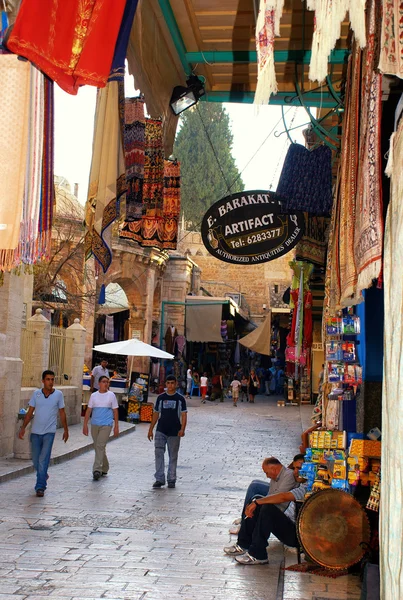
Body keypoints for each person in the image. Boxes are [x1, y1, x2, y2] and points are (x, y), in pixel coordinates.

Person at [224, 457, 304, 563]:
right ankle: (243, 544)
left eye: (299, 469)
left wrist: (257, 503)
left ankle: (258, 554)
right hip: (289, 524)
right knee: (259, 502)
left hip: (298, 535)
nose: (295, 472)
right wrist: (256, 503)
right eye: (294, 468)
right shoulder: (300, 483)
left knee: (266, 508)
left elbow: (283, 497)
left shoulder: (305, 487)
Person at [18, 370, 69, 497]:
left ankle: (40, 486)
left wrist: (66, 430)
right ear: (43, 381)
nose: (51, 382)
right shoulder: (36, 394)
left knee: (43, 459)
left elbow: (62, 412)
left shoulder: (58, 395)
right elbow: (30, 412)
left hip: (49, 432)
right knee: (36, 460)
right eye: (48, 379)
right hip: (35, 432)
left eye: (52, 379)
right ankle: (43, 475)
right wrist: (23, 427)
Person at [228, 455, 304, 535]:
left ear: (273, 469)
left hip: (281, 509)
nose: (267, 476)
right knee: (255, 487)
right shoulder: (281, 475)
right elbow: (272, 494)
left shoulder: (290, 476)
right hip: (279, 501)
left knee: (258, 495)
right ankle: (246, 520)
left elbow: (280, 497)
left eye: (267, 473)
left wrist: (258, 502)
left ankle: (246, 523)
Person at [148, 375, 187, 489]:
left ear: (176, 384)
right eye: (168, 383)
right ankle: (159, 478)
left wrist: (182, 429)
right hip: (161, 430)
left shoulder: (180, 399)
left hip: (174, 431)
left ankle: (171, 479)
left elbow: (184, 415)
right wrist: (150, 429)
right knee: (158, 453)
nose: (170, 385)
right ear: (165, 384)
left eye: (172, 383)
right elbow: (156, 414)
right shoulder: (160, 398)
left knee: (173, 456)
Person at [82, 375, 119, 480]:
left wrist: (116, 426)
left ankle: (97, 470)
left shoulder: (111, 395)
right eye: (103, 382)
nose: (106, 384)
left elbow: (115, 411)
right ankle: (105, 467)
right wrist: (85, 425)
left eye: (107, 382)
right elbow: (89, 410)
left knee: (100, 445)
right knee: (99, 446)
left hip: (106, 424)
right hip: (95, 424)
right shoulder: (94, 395)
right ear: (99, 384)